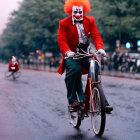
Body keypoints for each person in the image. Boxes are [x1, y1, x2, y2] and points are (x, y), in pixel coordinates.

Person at [57, 0, 113, 113]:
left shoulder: (90, 21)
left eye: (80, 12)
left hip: (85, 53)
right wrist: (67, 52)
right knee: (74, 70)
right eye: (75, 12)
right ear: (70, 11)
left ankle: (97, 99)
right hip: (72, 55)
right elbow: (61, 39)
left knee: (95, 67)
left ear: (84, 11)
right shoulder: (63, 23)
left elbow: (96, 36)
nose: (77, 15)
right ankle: (72, 100)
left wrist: (100, 48)